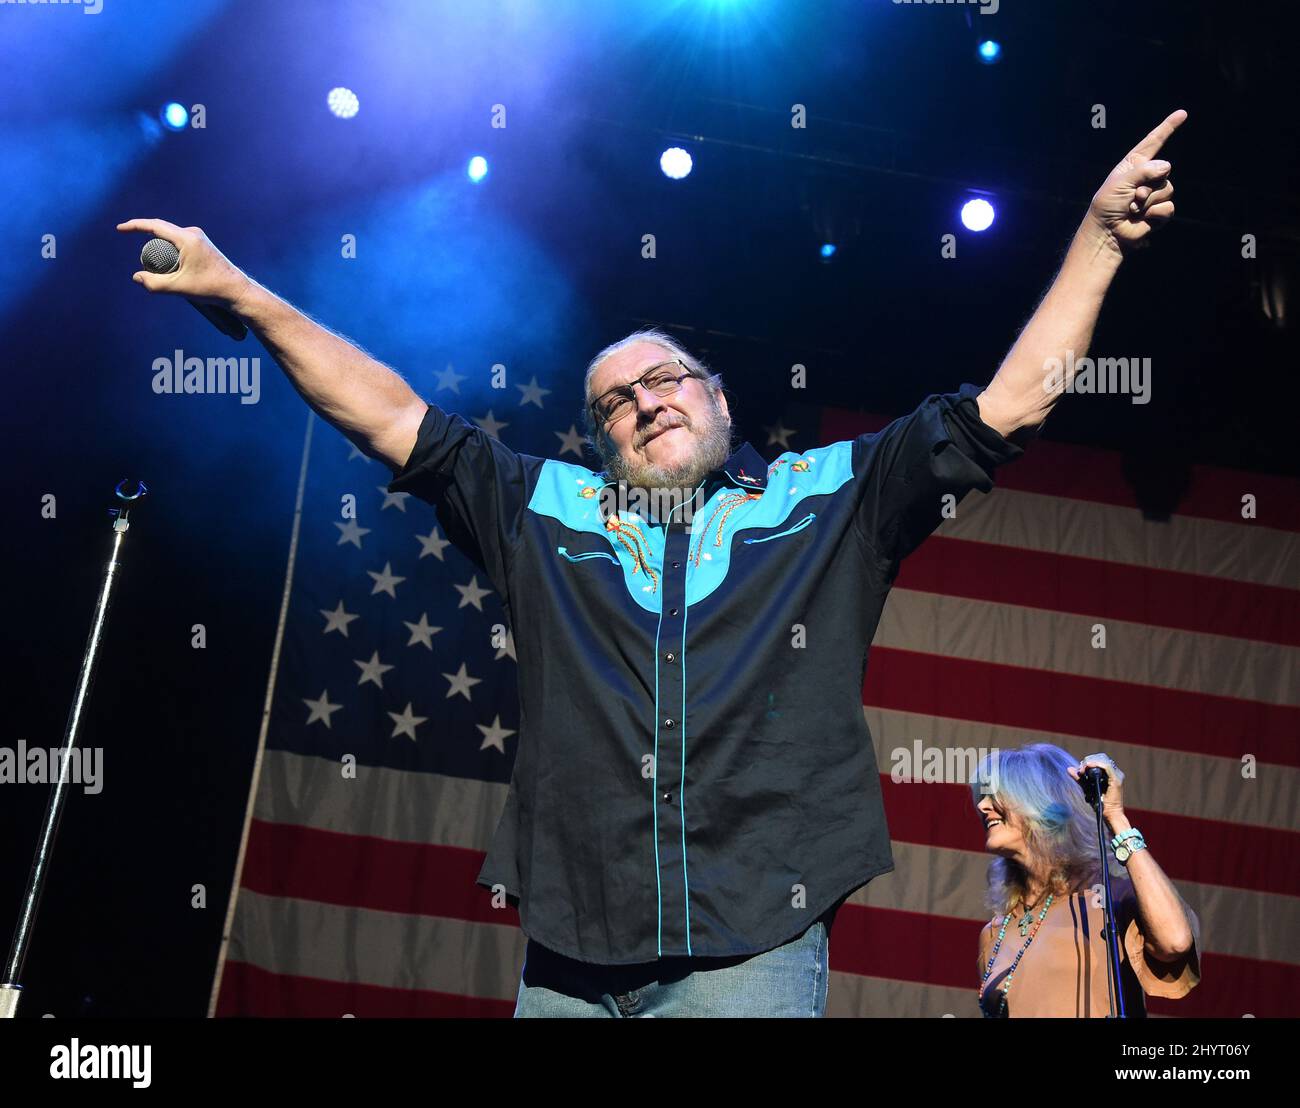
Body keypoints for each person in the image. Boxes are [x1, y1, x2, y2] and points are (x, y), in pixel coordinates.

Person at [117, 109, 1187, 1017]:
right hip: (573, 950)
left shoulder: (824, 497)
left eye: (668, 377)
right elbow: (388, 412)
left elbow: (1010, 406)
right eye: (617, 400)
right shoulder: (545, 508)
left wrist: (1094, 243)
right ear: (598, 438)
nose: (646, 399)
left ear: (718, 396)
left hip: (751, 942)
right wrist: (247, 297)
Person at [973, 745, 1200, 1017]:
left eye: (997, 796)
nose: (982, 805)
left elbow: (1175, 942)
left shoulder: (1111, 901)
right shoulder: (994, 933)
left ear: (1042, 802)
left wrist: (1115, 815)